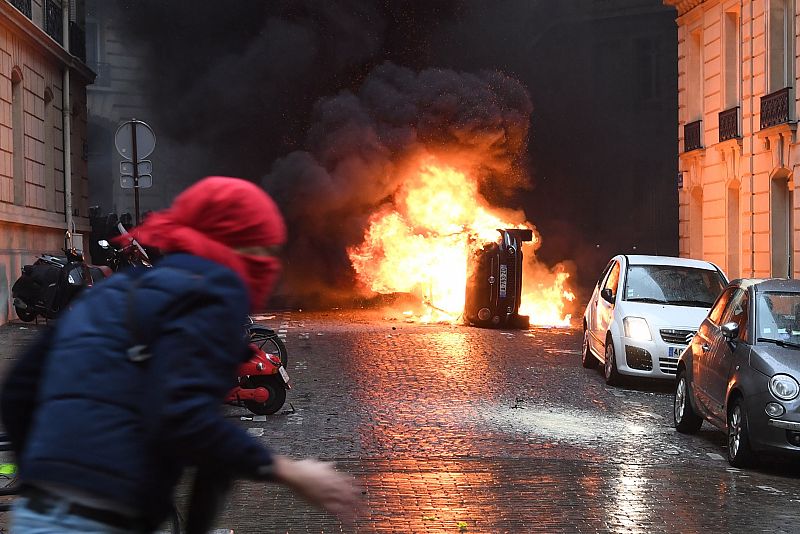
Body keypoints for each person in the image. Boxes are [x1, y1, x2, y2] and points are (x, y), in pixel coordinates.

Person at [0, 176, 360, 533]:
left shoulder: (113, 291)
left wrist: (43, 476)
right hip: (105, 517)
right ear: (238, 248)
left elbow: (18, 390)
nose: (269, 263)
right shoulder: (211, 298)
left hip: (38, 514)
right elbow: (187, 420)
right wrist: (289, 471)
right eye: (263, 249)